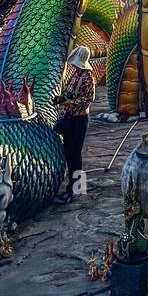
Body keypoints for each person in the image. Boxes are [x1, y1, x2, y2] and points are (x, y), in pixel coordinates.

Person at [53, 45, 95, 203]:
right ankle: (70, 185)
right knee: (68, 152)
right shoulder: (75, 75)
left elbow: (88, 99)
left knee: (75, 155)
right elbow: (69, 92)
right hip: (69, 117)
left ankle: (77, 189)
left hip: (79, 119)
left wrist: (69, 103)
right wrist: (61, 98)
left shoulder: (87, 77)